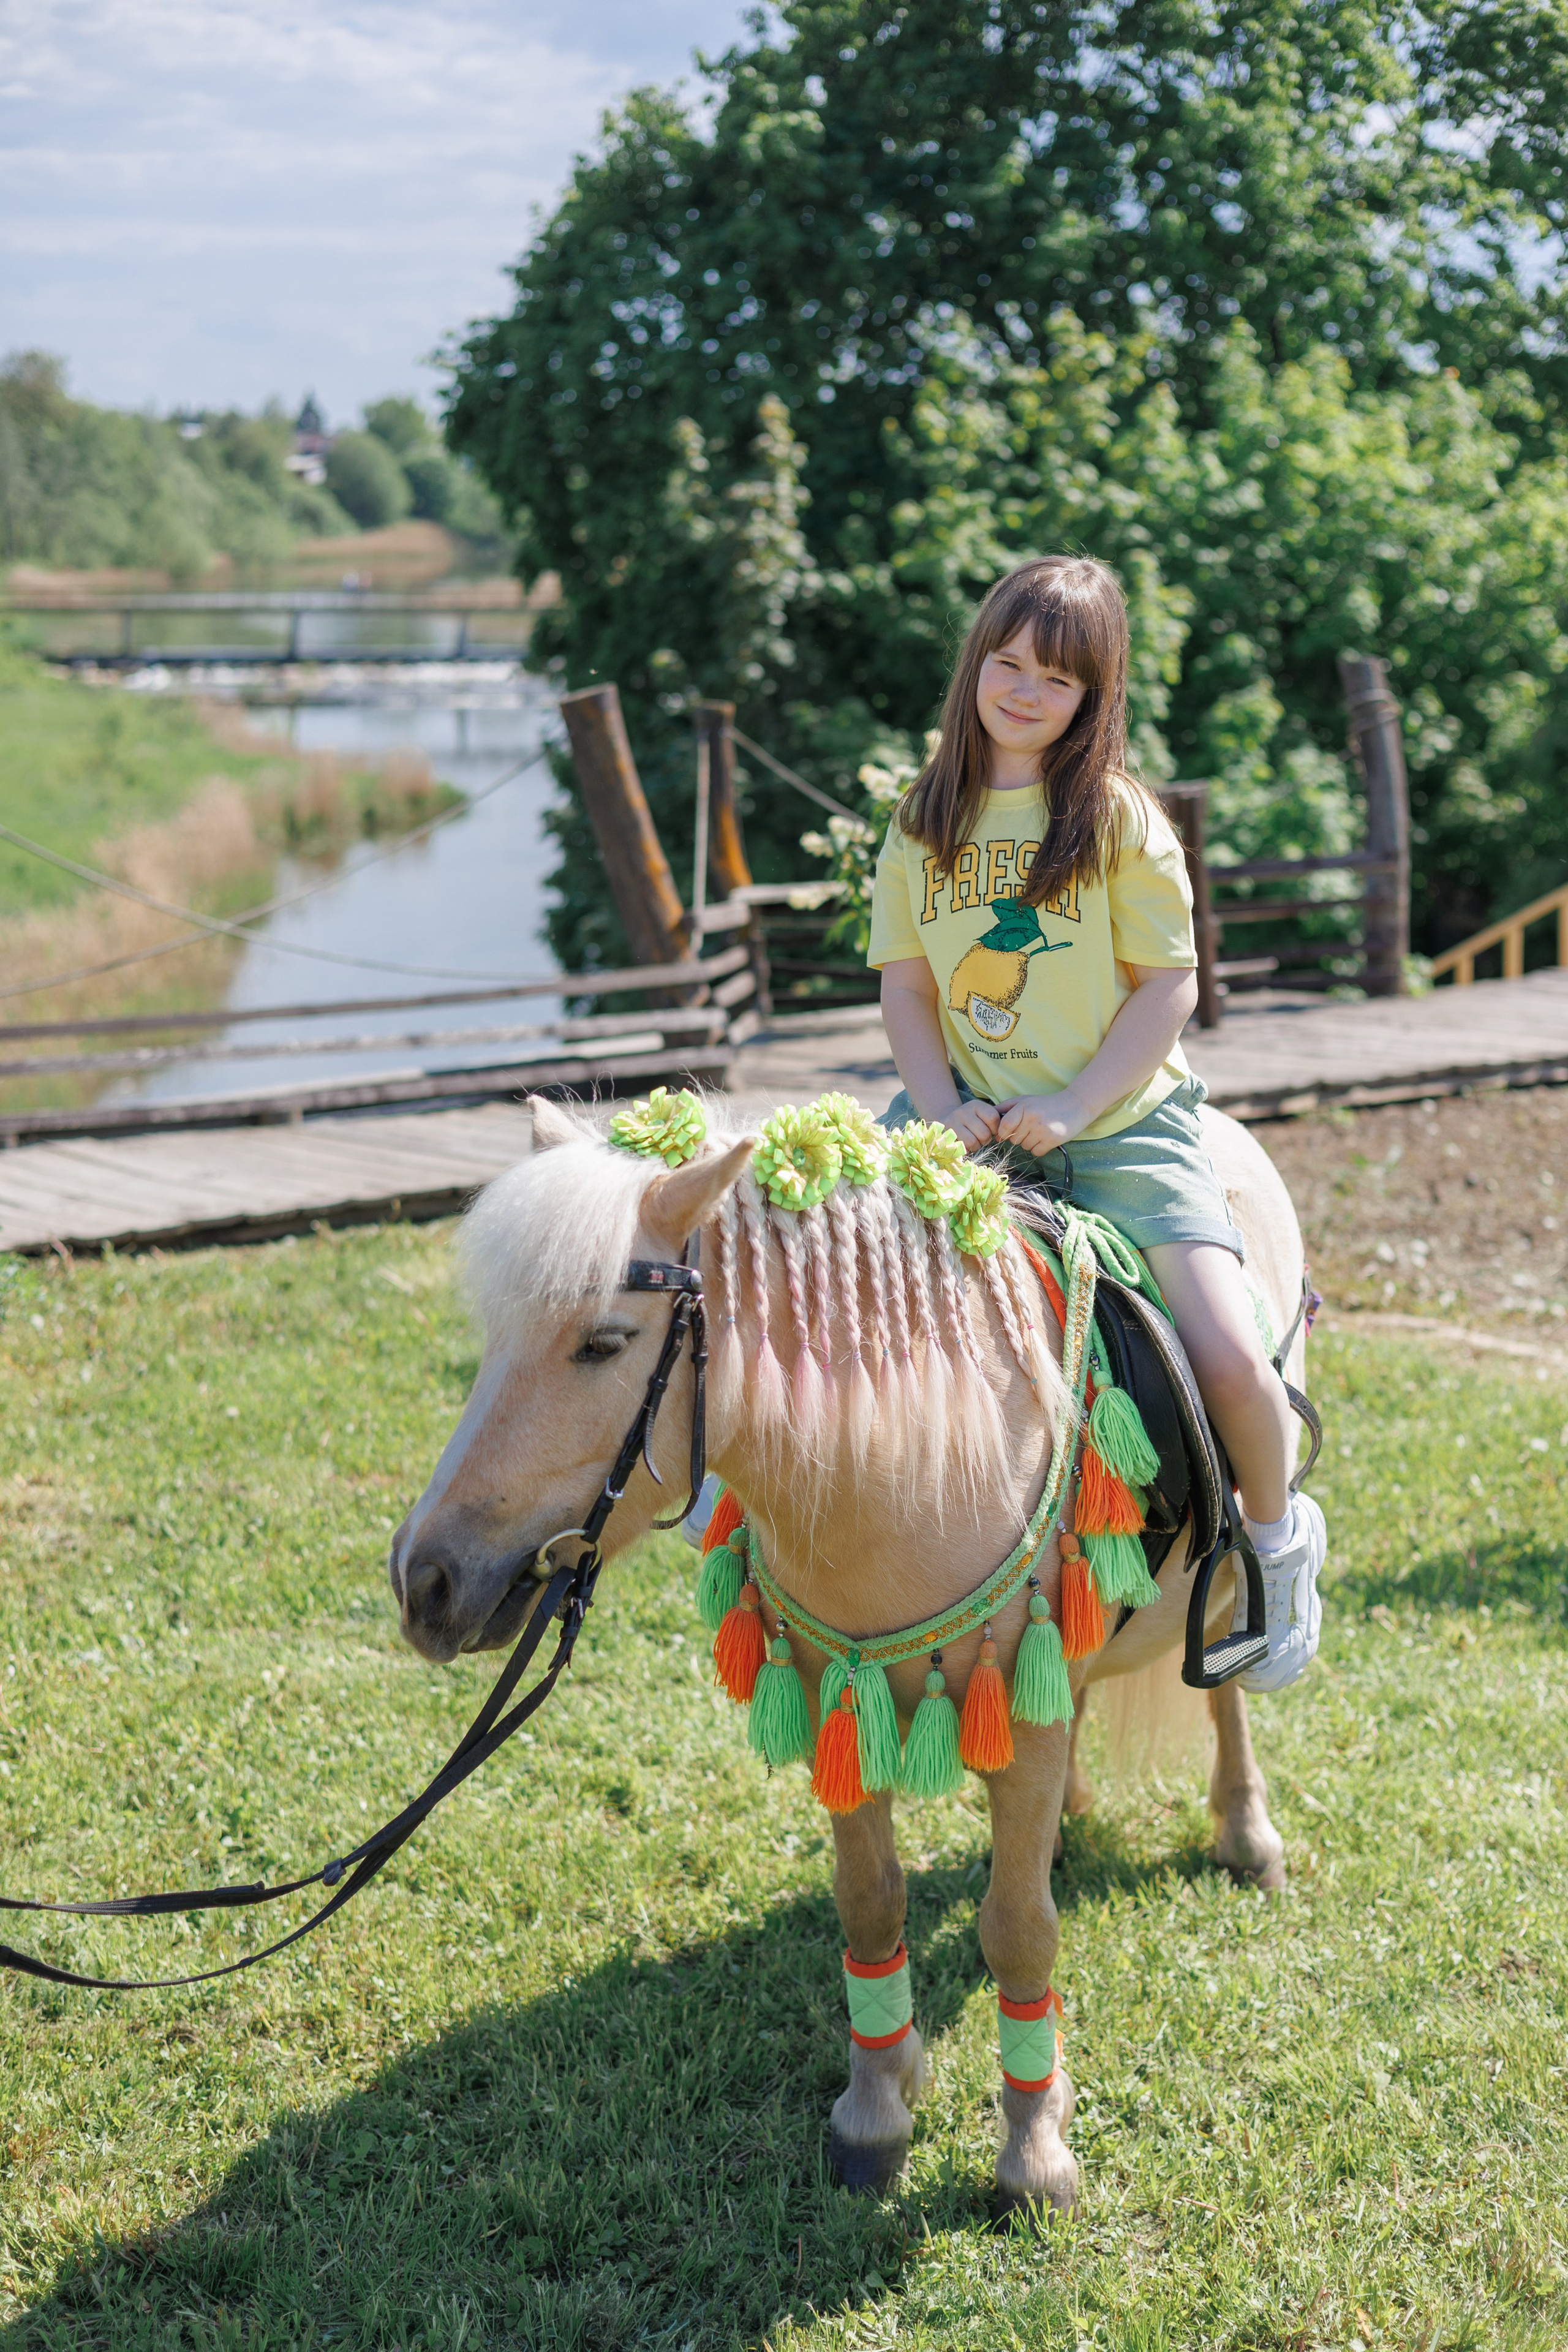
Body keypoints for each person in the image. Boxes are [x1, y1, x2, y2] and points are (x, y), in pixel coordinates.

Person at [868, 554, 1323, 1691]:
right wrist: (941, 1112)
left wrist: (1074, 1104)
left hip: (1119, 1124)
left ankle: (1276, 1546)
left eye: (1056, 679)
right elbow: (910, 991)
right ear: (975, 664)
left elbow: (1168, 987)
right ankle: (732, 1478)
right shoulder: (926, 822)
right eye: (1007, 664)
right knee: (813, 1250)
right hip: (964, 1114)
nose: (1024, 692)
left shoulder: (1118, 821)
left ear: (1093, 698)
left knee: (1225, 1347)